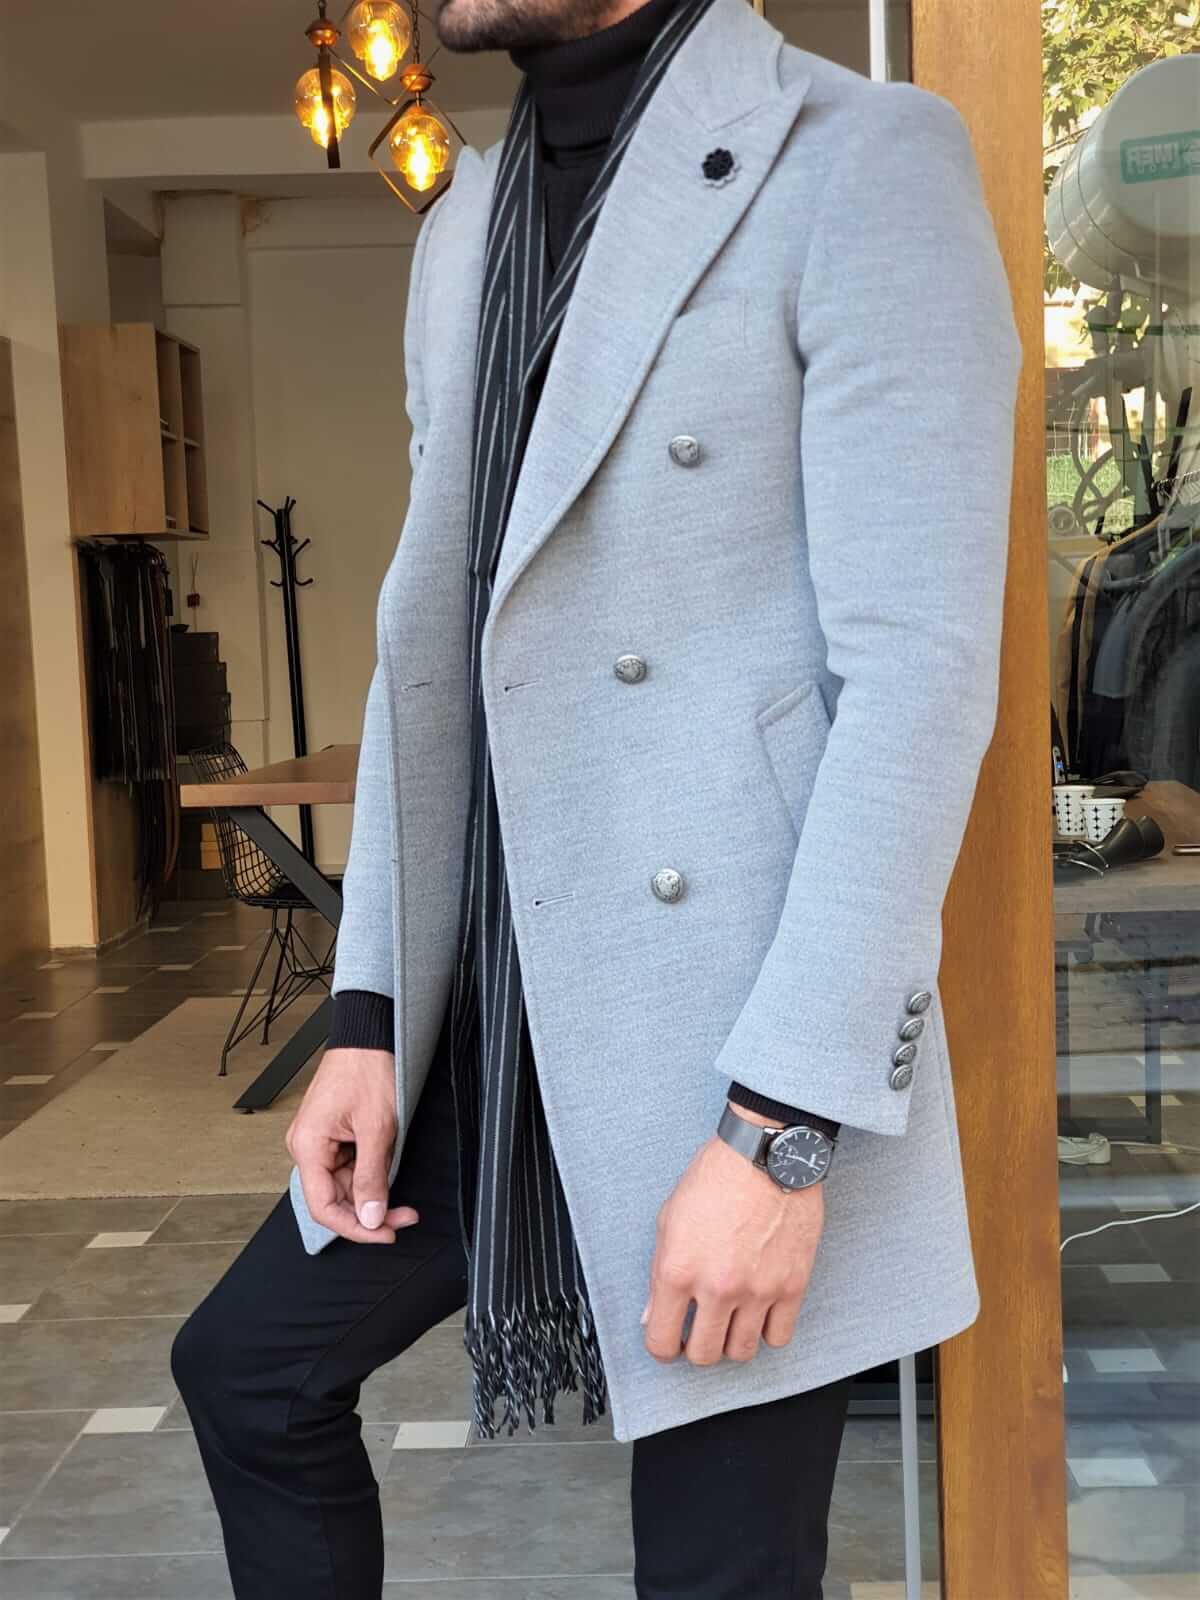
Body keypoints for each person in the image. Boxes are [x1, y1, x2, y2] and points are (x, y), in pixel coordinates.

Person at [170, 0, 1023, 1593]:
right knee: (249, 1374)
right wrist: (369, 1019)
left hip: (734, 1035)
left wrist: (781, 1136)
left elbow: (916, 683)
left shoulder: (858, 160)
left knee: (717, 1572)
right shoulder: (465, 230)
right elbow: (437, 661)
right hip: (499, 1019)